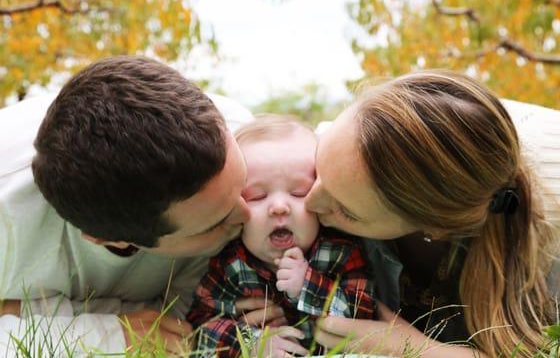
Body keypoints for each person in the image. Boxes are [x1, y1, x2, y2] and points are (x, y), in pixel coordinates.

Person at [0, 56, 279, 355]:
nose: (247, 214)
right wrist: (110, 336)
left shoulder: (241, 134)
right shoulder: (7, 218)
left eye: (245, 185)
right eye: (216, 223)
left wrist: (23, 313)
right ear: (110, 240)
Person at [305, 69, 560, 357]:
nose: (308, 202)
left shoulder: (550, 237)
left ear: (436, 228)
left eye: (346, 211)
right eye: (315, 169)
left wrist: (412, 348)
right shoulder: (322, 145)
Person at [186, 115, 377, 358]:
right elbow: (198, 325)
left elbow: (366, 315)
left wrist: (307, 284)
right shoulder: (230, 262)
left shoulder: (340, 252)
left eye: (298, 193)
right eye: (256, 196)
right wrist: (249, 343)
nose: (279, 207)